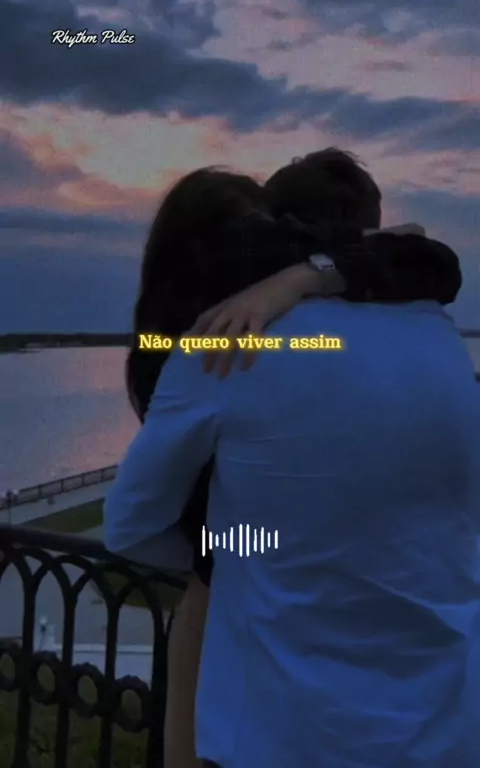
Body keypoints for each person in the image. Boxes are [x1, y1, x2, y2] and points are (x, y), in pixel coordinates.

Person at [104, 161, 480, 766]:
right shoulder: (436, 331)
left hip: (291, 730)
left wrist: (249, 545)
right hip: (444, 723)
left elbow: (131, 527)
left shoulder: (225, 342)